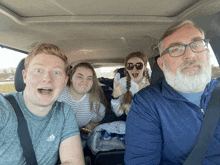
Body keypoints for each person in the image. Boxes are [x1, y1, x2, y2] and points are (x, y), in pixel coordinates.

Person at [124, 20, 220, 164]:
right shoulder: (147, 102)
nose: (190, 55)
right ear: (162, 64)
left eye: (196, 44)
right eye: (176, 49)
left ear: (207, 53)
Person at [0, 43, 85, 165]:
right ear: (25, 76)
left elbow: (73, 162)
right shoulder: (4, 108)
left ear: (64, 81)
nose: (47, 78)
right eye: (38, 70)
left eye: (56, 72)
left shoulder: (64, 113)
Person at [57, 62, 106, 130]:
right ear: (71, 78)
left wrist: (89, 125)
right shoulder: (57, 93)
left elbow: (97, 121)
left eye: (89, 78)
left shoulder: (95, 105)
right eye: (80, 76)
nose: (84, 81)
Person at [111, 52, 151, 117]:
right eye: (130, 66)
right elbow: (118, 113)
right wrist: (115, 97)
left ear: (144, 67)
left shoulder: (152, 80)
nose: (134, 69)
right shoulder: (122, 82)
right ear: (127, 68)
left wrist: (147, 94)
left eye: (139, 65)